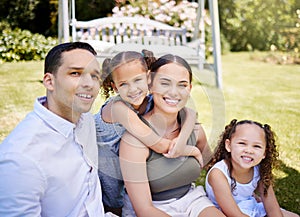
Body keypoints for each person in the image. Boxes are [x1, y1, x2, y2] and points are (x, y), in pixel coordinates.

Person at [0, 42, 114, 216]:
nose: (89, 84)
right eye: (75, 73)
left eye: (94, 76)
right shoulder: (21, 159)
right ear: (49, 81)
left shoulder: (86, 120)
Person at [95, 50, 201, 215]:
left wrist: (181, 140)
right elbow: (157, 144)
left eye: (138, 80)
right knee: (114, 200)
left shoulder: (149, 99)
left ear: (149, 79)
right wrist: (191, 150)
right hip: (107, 158)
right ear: (115, 87)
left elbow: (191, 114)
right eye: (123, 84)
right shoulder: (118, 108)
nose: (133, 89)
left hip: (126, 152)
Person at [119, 54, 225, 217]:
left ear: (189, 89)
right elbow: (144, 210)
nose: (174, 92)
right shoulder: (134, 141)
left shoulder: (194, 129)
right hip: (153, 208)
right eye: (165, 83)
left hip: (192, 199)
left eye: (182, 85)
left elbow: (214, 167)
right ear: (150, 83)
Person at [205, 119, 299, 217]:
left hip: (250, 207)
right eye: (242, 143)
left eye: (257, 146)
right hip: (226, 213)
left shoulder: (260, 171)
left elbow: (272, 209)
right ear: (228, 145)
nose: (249, 151)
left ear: (264, 153)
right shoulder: (218, 174)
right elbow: (235, 214)